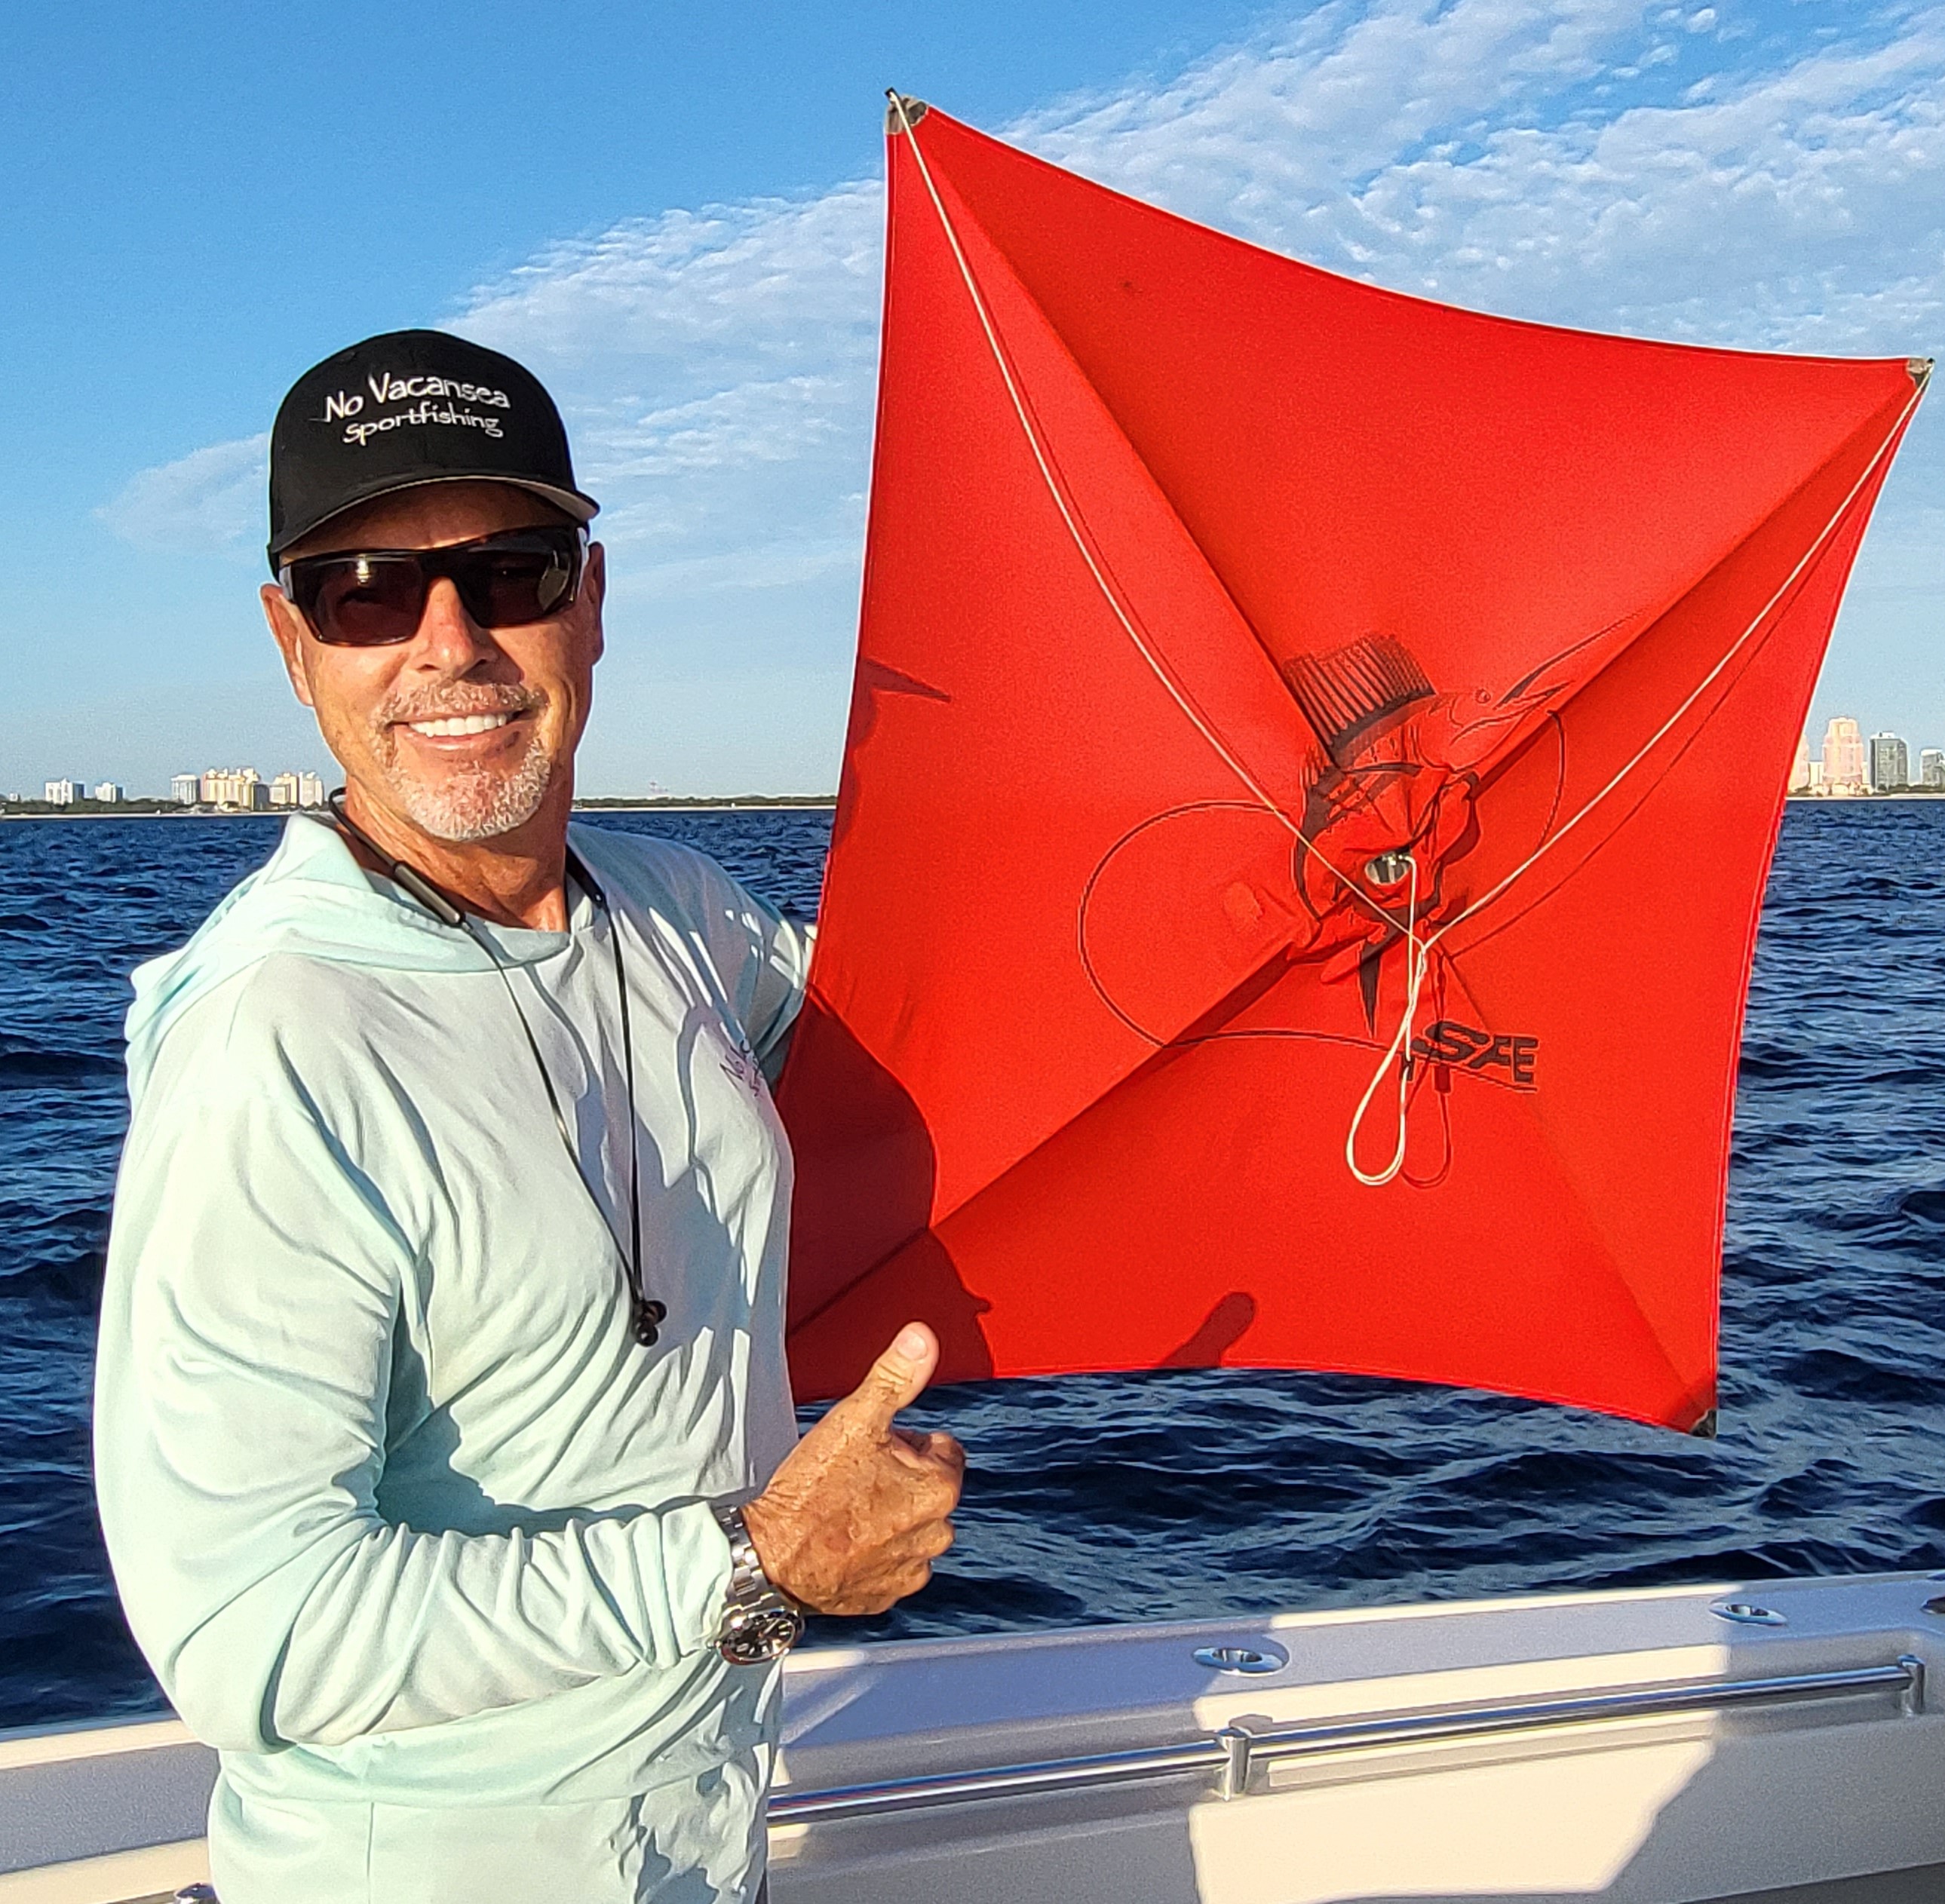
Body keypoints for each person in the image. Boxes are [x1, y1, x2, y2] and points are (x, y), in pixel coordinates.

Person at [93, 330, 964, 1903]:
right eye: (367, 589)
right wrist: (751, 1564)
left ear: (593, 603)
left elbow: (944, 1032)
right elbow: (249, 1636)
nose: (451, 645)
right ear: (295, 643)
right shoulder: (275, 1040)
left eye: (512, 571)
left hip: (707, 1841)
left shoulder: (675, 906)